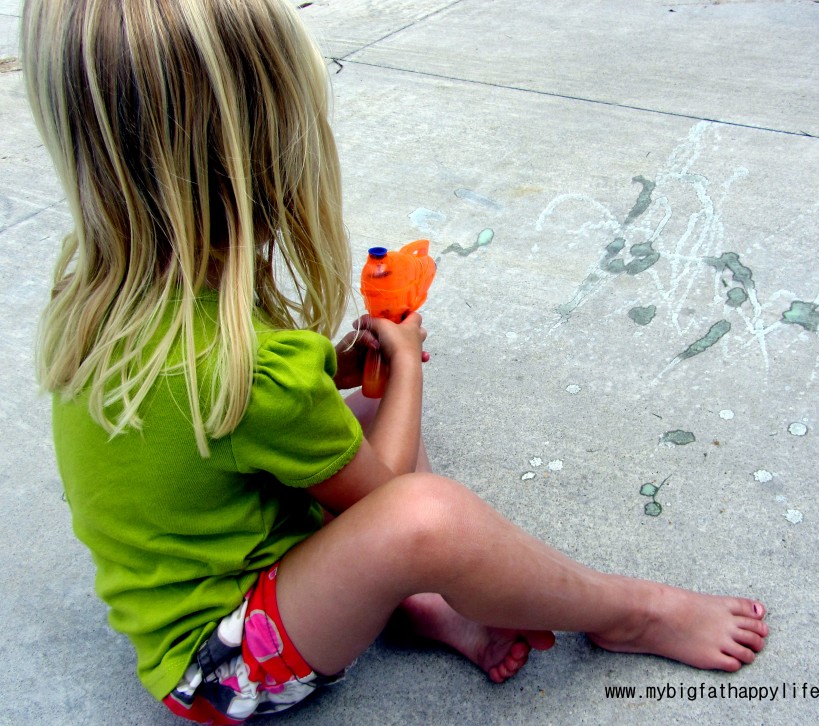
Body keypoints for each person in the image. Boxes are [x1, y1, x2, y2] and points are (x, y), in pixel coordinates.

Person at [23, 0, 769, 722]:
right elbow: (385, 501)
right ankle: (628, 614)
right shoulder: (250, 374)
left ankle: (408, 609)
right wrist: (406, 361)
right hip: (221, 670)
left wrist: (347, 371)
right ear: (263, 155)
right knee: (428, 520)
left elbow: (235, 417)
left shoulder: (98, 289)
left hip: (220, 576)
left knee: (367, 421)